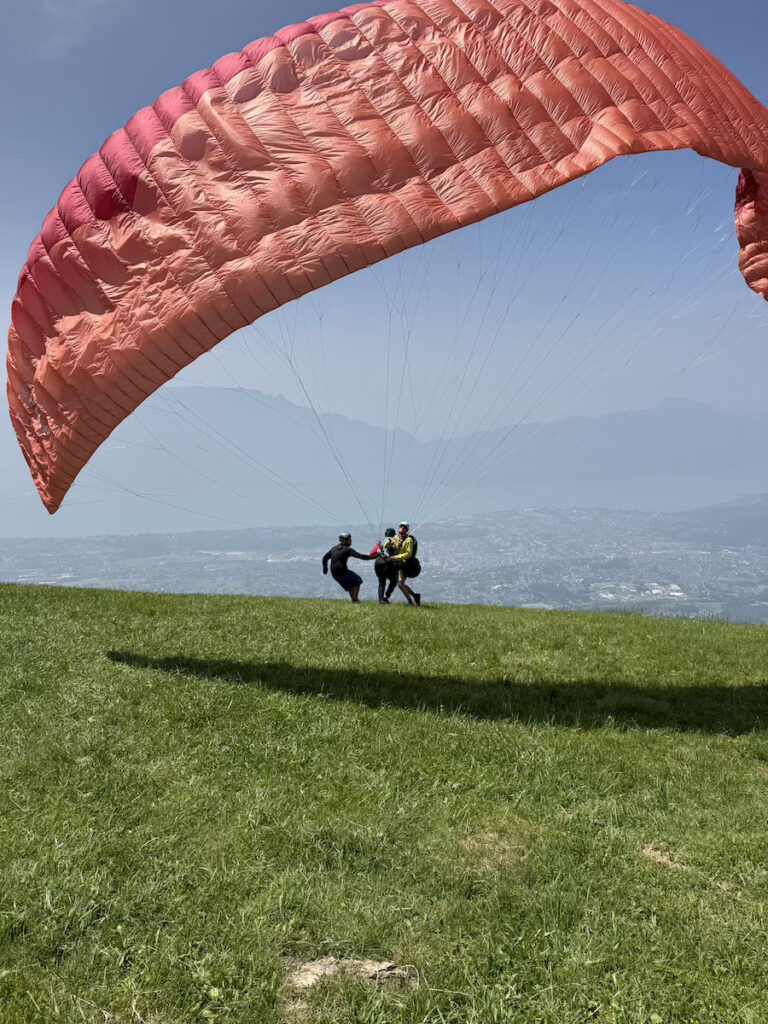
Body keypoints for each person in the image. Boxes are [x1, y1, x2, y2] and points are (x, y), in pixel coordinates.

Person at [322, 532, 376, 602]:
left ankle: (354, 600)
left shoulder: (334, 548)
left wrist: (325, 569)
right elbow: (361, 556)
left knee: (351, 584)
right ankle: (355, 599)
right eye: (350, 539)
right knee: (357, 580)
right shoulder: (347, 549)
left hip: (335, 573)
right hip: (342, 572)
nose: (351, 541)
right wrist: (374, 557)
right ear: (345, 541)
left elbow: (324, 558)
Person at [386, 521, 422, 605]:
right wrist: (390, 539)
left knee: (400, 584)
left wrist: (396, 557)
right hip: (399, 564)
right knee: (401, 584)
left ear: (406, 529)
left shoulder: (409, 540)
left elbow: (408, 553)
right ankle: (414, 596)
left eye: (404, 527)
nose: (402, 528)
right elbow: (386, 546)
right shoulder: (396, 538)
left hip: (405, 564)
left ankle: (410, 601)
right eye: (401, 526)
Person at [370, 527, 399, 604]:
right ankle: (386, 596)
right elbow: (396, 552)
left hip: (378, 563)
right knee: (393, 581)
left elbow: (372, 553)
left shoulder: (381, 542)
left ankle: (381, 600)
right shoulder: (393, 541)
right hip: (388, 563)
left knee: (381, 582)